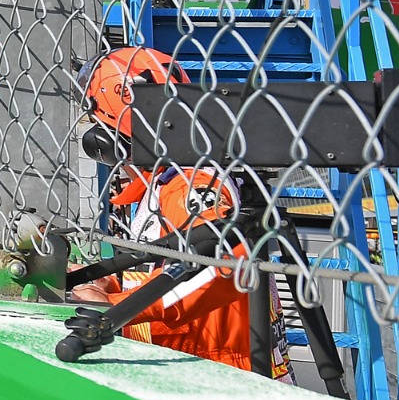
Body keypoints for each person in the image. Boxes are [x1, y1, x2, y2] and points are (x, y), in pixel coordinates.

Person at [65, 47, 292, 379]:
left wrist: (112, 308)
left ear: (113, 139)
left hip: (223, 376)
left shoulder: (187, 185)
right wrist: (113, 282)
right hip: (209, 364)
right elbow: (176, 266)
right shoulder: (171, 181)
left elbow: (218, 269)